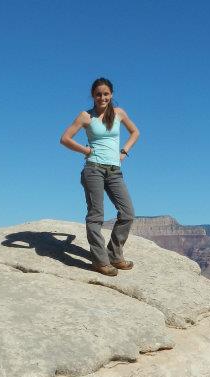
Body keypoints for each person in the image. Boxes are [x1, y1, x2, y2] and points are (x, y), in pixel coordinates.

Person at [59, 77, 139, 276]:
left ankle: (114, 254)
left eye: (106, 94)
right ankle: (100, 261)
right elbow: (65, 139)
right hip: (93, 169)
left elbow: (135, 132)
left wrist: (125, 151)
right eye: (98, 94)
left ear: (111, 95)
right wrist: (85, 150)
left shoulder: (119, 113)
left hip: (114, 171)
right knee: (96, 216)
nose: (102, 98)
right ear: (93, 96)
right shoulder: (86, 116)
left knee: (127, 213)